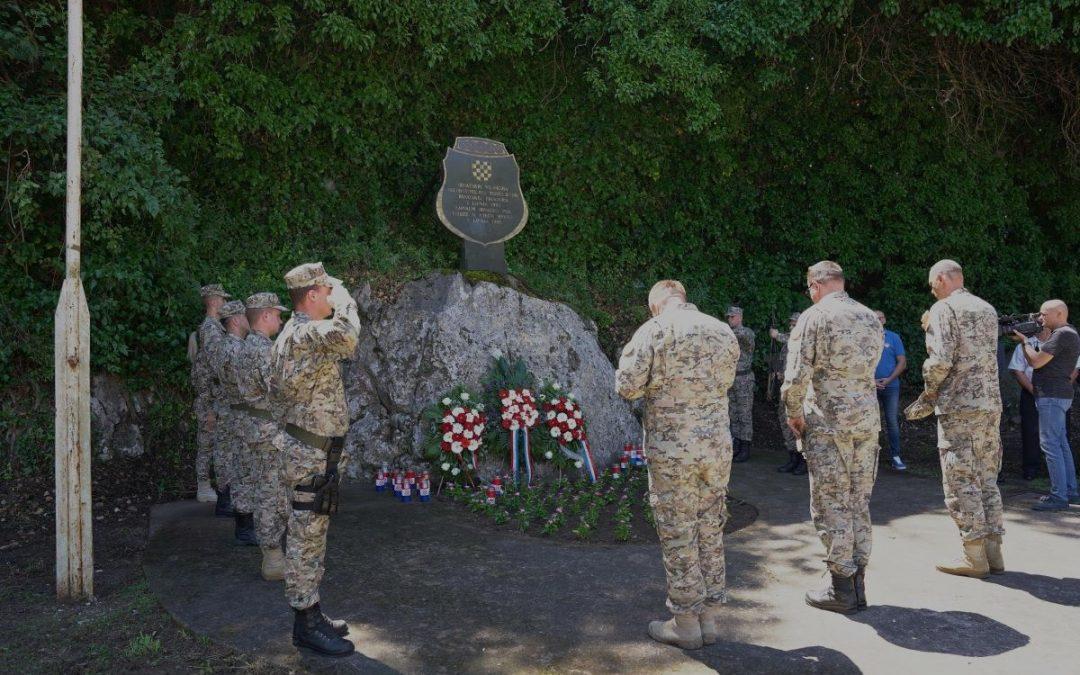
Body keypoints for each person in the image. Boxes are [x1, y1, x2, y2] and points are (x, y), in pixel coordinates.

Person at [616, 280, 739, 649]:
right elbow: (727, 381)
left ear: (656, 304)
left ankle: (686, 623)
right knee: (710, 526)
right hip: (716, 447)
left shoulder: (654, 330)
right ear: (684, 297)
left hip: (673, 451)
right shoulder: (722, 330)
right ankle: (710, 619)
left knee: (678, 531)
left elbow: (627, 385)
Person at [780, 261, 882, 614]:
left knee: (832, 502)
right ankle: (858, 584)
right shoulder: (870, 316)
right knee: (858, 500)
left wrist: (793, 413)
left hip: (829, 423)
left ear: (815, 285)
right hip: (867, 421)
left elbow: (796, 375)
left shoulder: (815, 316)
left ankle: (841, 587)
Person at [272, 263, 360, 656]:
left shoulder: (302, 335)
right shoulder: (305, 333)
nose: (332, 297)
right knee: (306, 538)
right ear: (312, 296)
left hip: (314, 455)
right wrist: (346, 300)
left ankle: (312, 611)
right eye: (326, 291)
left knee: (311, 535)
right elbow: (348, 336)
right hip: (308, 456)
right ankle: (304, 625)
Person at [911, 259, 1004, 578]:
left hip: (959, 405)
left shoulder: (943, 309)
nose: (932, 289)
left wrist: (928, 392)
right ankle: (994, 551)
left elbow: (939, 361)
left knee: (960, 477)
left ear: (941, 278)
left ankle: (973, 556)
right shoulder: (987, 308)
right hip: (990, 403)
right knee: (986, 475)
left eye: (932, 284)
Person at [236, 292, 289, 580]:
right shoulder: (264, 351)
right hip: (270, 433)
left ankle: (273, 555)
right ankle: (273, 558)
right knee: (272, 495)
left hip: (255, 429)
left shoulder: (245, 348)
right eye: (278, 314)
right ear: (266, 315)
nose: (280, 319)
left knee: (265, 491)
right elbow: (282, 392)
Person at [1015, 299, 1079, 510]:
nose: (1040, 319)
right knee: (1060, 443)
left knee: (1050, 444)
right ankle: (1070, 491)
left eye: (1044, 314)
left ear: (1060, 314)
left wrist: (1025, 342)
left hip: (1051, 396)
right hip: (1057, 394)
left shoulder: (1062, 334)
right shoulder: (1068, 333)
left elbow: (1036, 362)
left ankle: (1059, 497)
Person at [206, 299, 257, 545]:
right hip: (240, 416)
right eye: (245, 316)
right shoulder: (235, 350)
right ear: (235, 320)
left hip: (233, 414)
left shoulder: (226, 347)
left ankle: (243, 522)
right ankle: (245, 527)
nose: (250, 319)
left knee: (236, 466)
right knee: (243, 470)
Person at [189, 284, 230, 503]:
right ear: (214, 302)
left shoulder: (212, 328)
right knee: (207, 443)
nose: (224, 304)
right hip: (210, 400)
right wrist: (212, 406)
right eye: (222, 300)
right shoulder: (211, 329)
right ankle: (204, 487)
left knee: (212, 443)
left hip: (211, 398)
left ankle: (211, 486)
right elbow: (215, 368)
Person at [1008, 325, 1051, 480]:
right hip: (1030, 392)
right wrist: (1034, 391)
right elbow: (1017, 370)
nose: (1041, 326)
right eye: (1038, 323)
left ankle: (1055, 471)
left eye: (1043, 322)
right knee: (1030, 431)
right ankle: (1030, 469)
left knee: (1058, 431)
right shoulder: (1025, 344)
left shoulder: (1060, 341)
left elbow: (1074, 368)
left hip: (1056, 394)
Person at [770, 313, 806, 475]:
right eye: (790, 323)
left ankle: (803, 460)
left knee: (799, 426)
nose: (792, 326)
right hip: (785, 390)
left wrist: (778, 335)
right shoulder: (787, 345)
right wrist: (780, 373)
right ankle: (793, 457)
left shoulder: (804, 340)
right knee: (785, 424)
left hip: (798, 393)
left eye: (794, 323)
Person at [873, 310, 908, 470]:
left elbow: (902, 362)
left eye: (880, 317)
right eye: (874, 318)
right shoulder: (864, 338)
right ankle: (870, 458)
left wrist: (888, 380)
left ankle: (896, 456)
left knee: (892, 421)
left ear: (885, 320)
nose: (878, 320)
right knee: (870, 423)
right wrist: (871, 381)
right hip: (869, 387)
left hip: (891, 386)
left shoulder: (894, 337)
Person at [726, 306, 755, 463]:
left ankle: (745, 447)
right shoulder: (729, 334)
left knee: (744, 414)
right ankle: (737, 444)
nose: (729, 320)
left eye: (732, 317)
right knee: (733, 414)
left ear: (739, 317)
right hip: (732, 379)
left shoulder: (746, 333)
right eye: (728, 317)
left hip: (744, 379)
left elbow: (742, 335)